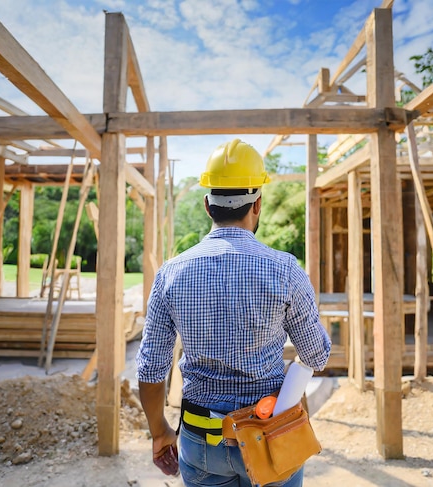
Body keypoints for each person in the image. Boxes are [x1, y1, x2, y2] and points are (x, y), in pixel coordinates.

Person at [136, 139, 331, 486]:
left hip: (200, 439)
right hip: (270, 433)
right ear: (257, 204)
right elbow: (317, 353)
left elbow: (151, 370)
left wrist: (159, 432)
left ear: (207, 205)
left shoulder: (171, 273)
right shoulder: (285, 270)